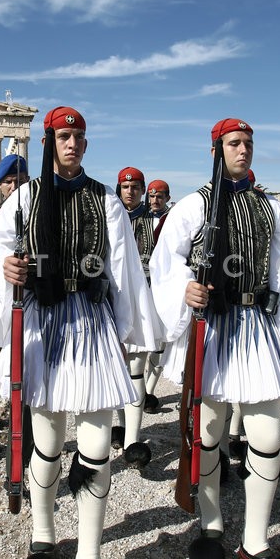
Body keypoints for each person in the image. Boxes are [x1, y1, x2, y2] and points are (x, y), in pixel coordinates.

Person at [0, 106, 157, 559]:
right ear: (50, 142)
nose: (71, 143)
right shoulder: (24, 199)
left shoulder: (106, 202)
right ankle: (44, 534)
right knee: (47, 444)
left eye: (78, 137)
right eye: (63, 136)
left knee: (95, 447)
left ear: (86, 146)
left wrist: (130, 332)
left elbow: (125, 272)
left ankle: (90, 556)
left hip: (91, 325)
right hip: (42, 325)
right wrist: (8, 271)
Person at [150, 118, 280, 559]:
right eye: (234, 144)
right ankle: (211, 523)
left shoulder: (271, 208)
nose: (243, 151)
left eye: (248, 144)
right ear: (216, 150)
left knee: (265, 436)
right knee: (209, 431)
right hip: (212, 327)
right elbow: (167, 264)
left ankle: (256, 540)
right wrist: (185, 289)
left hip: (256, 327)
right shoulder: (194, 205)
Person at [110, 166, 159, 469]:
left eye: (136, 188)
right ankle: (119, 425)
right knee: (113, 369)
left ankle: (132, 438)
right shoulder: (108, 218)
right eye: (125, 187)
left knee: (135, 370)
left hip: (141, 300)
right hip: (111, 301)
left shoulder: (153, 224)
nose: (130, 192)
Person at [142, 179, 172, 413]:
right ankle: (139, 391)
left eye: (159, 196)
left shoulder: (172, 220)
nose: (154, 201)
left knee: (160, 343)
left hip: (162, 286)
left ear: (167, 198)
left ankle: (150, 392)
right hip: (143, 284)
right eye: (151, 196)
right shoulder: (139, 218)